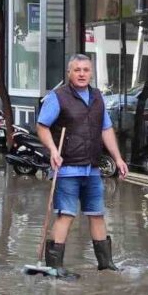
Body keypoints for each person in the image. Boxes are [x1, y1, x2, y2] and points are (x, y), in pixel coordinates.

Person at [37, 54, 129, 274]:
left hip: (92, 168)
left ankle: (106, 264)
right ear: (69, 73)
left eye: (86, 70)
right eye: (77, 70)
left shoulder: (97, 97)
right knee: (66, 214)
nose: (81, 74)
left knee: (97, 214)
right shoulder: (57, 97)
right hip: (67, 167)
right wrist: (52, 151)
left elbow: (106, 129)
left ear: (91, 73)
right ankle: (55, 267)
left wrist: (117, 158)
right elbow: (42, 126)